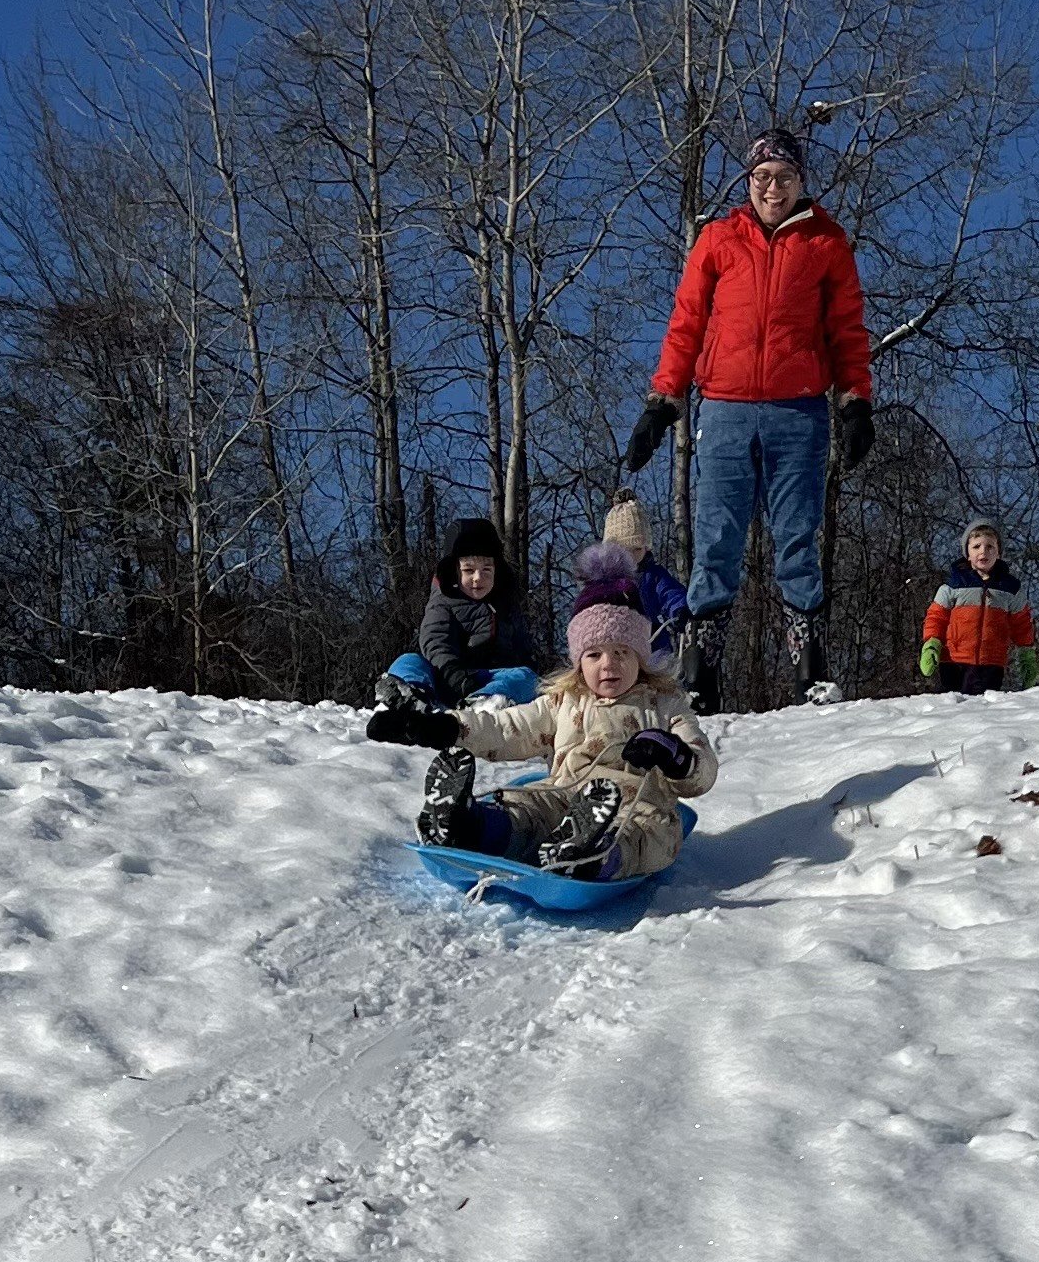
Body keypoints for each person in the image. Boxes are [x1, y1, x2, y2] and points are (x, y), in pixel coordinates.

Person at [623, 125, 874, 712]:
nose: (773, 187)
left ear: (800, 182)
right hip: (727, 409)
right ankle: (700, 677)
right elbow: (686, 323)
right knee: (716, 538)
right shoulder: (718, 240)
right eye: (762, 176)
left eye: (784, 177)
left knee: (797, 537)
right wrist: (663, 402)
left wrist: (856, 400)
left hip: (799, 410)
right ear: (748, 181)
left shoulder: (826, 242)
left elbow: (846, 330)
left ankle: (809, 673)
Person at [367, 542, 716, 880]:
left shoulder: (665, 705)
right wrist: (443, 727)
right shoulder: (564, 701)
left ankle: (594, 857)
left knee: (652, 837)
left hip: (635, 805)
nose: (609, 665)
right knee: (527, 804)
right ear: (579, 662)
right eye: (594, 655)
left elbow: (703, 768)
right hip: (565, 797)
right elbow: (508, 727)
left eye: (622, 653)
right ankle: (468, 826)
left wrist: (675, 756)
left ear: (640, 657)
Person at [377, 516, 541, 710]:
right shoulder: (444, 600)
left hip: (488, 679)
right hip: (443, 676)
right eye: (469, 570)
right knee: (408, 661)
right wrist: (453, 673)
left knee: (526, 677)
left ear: (497, 571)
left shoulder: (506, 605)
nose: (478, 578)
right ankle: (409, 696)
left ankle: (485, 704)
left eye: (486, 570)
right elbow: (435, 640)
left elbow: (522, 647)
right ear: (455, 571)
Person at [919, 521, 1039, 696]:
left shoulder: (1010, 589)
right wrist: (932, 643)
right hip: (953, 660)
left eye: (990, 546)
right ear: (967, 553)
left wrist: (1026, 654)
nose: (983, 551)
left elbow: (1022, 624)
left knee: (981, 709)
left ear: (998, 553)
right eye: (976, 546)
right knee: (952, 704)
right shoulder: (953, 586)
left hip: (991, 662)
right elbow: (936, 617)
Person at [601, 490, 690, 668]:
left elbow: (670, 592)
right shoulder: (605, 582)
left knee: (661, 673)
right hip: (617, 645)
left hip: (653, 644)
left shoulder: (653, 575)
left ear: (646, 548)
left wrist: (681, 610)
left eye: (638, 549)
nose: (632, 556)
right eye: (625, 550)